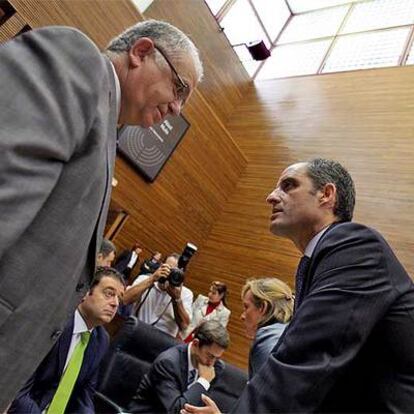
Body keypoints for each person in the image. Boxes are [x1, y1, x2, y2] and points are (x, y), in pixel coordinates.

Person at [0, 19, 202, 409]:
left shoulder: (106, 124)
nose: (177, 107)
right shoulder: (80, 63)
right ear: (141, 52)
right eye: (179, 88)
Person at [183, 158, 414, 413]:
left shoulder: (355, 246)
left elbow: (304, 361)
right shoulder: (321, 260)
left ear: (326, 195)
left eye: (288, 185)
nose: (271, 197)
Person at [8, 267, 125, 414]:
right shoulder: (53, 322)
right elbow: (17, 387)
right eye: (109, 294)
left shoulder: (101, 340)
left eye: (119, 299)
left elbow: (84, 395)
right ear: (85, 292)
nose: (115, 304)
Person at [128, 320, 229, 413]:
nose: (211, 363)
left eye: (217, 358)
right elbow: (176, 411)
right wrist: (203, 382)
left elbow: (200, 404)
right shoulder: (168, 363)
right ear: (195, 344)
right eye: (210, 356)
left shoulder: (216, 367)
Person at [123, 253, 193, 337]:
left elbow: (184, 326)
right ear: (161, 266)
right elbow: (124, 300)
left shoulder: (185, 294)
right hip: (135, 333)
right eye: (168, 269)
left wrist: (176, 299)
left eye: (174, 272)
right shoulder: (144, 279)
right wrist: (152, 279)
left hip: (159, 343)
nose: (170, 274)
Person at [241, 278, 292, 379]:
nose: (242, 316)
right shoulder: (288, 330)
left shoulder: (267, 339)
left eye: (246, 307)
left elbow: (265, 393)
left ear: (263, 307)